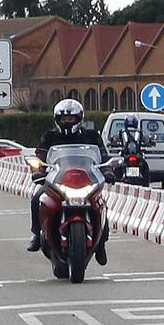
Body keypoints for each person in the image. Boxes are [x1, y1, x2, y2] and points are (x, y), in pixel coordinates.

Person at [28, 98, 104, 252]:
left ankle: (101, 242)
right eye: (63, 118)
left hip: (86, 179)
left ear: (79, 118)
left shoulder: (91, 135)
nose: (67, 121)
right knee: (37, 198)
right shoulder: (49, 136)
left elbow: (103, 155)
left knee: (100, 204)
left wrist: (108, 169)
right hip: (57, 179)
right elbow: (40, 157)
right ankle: (36, 234)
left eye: (70, 118)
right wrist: (38, 171)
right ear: (58, 120)